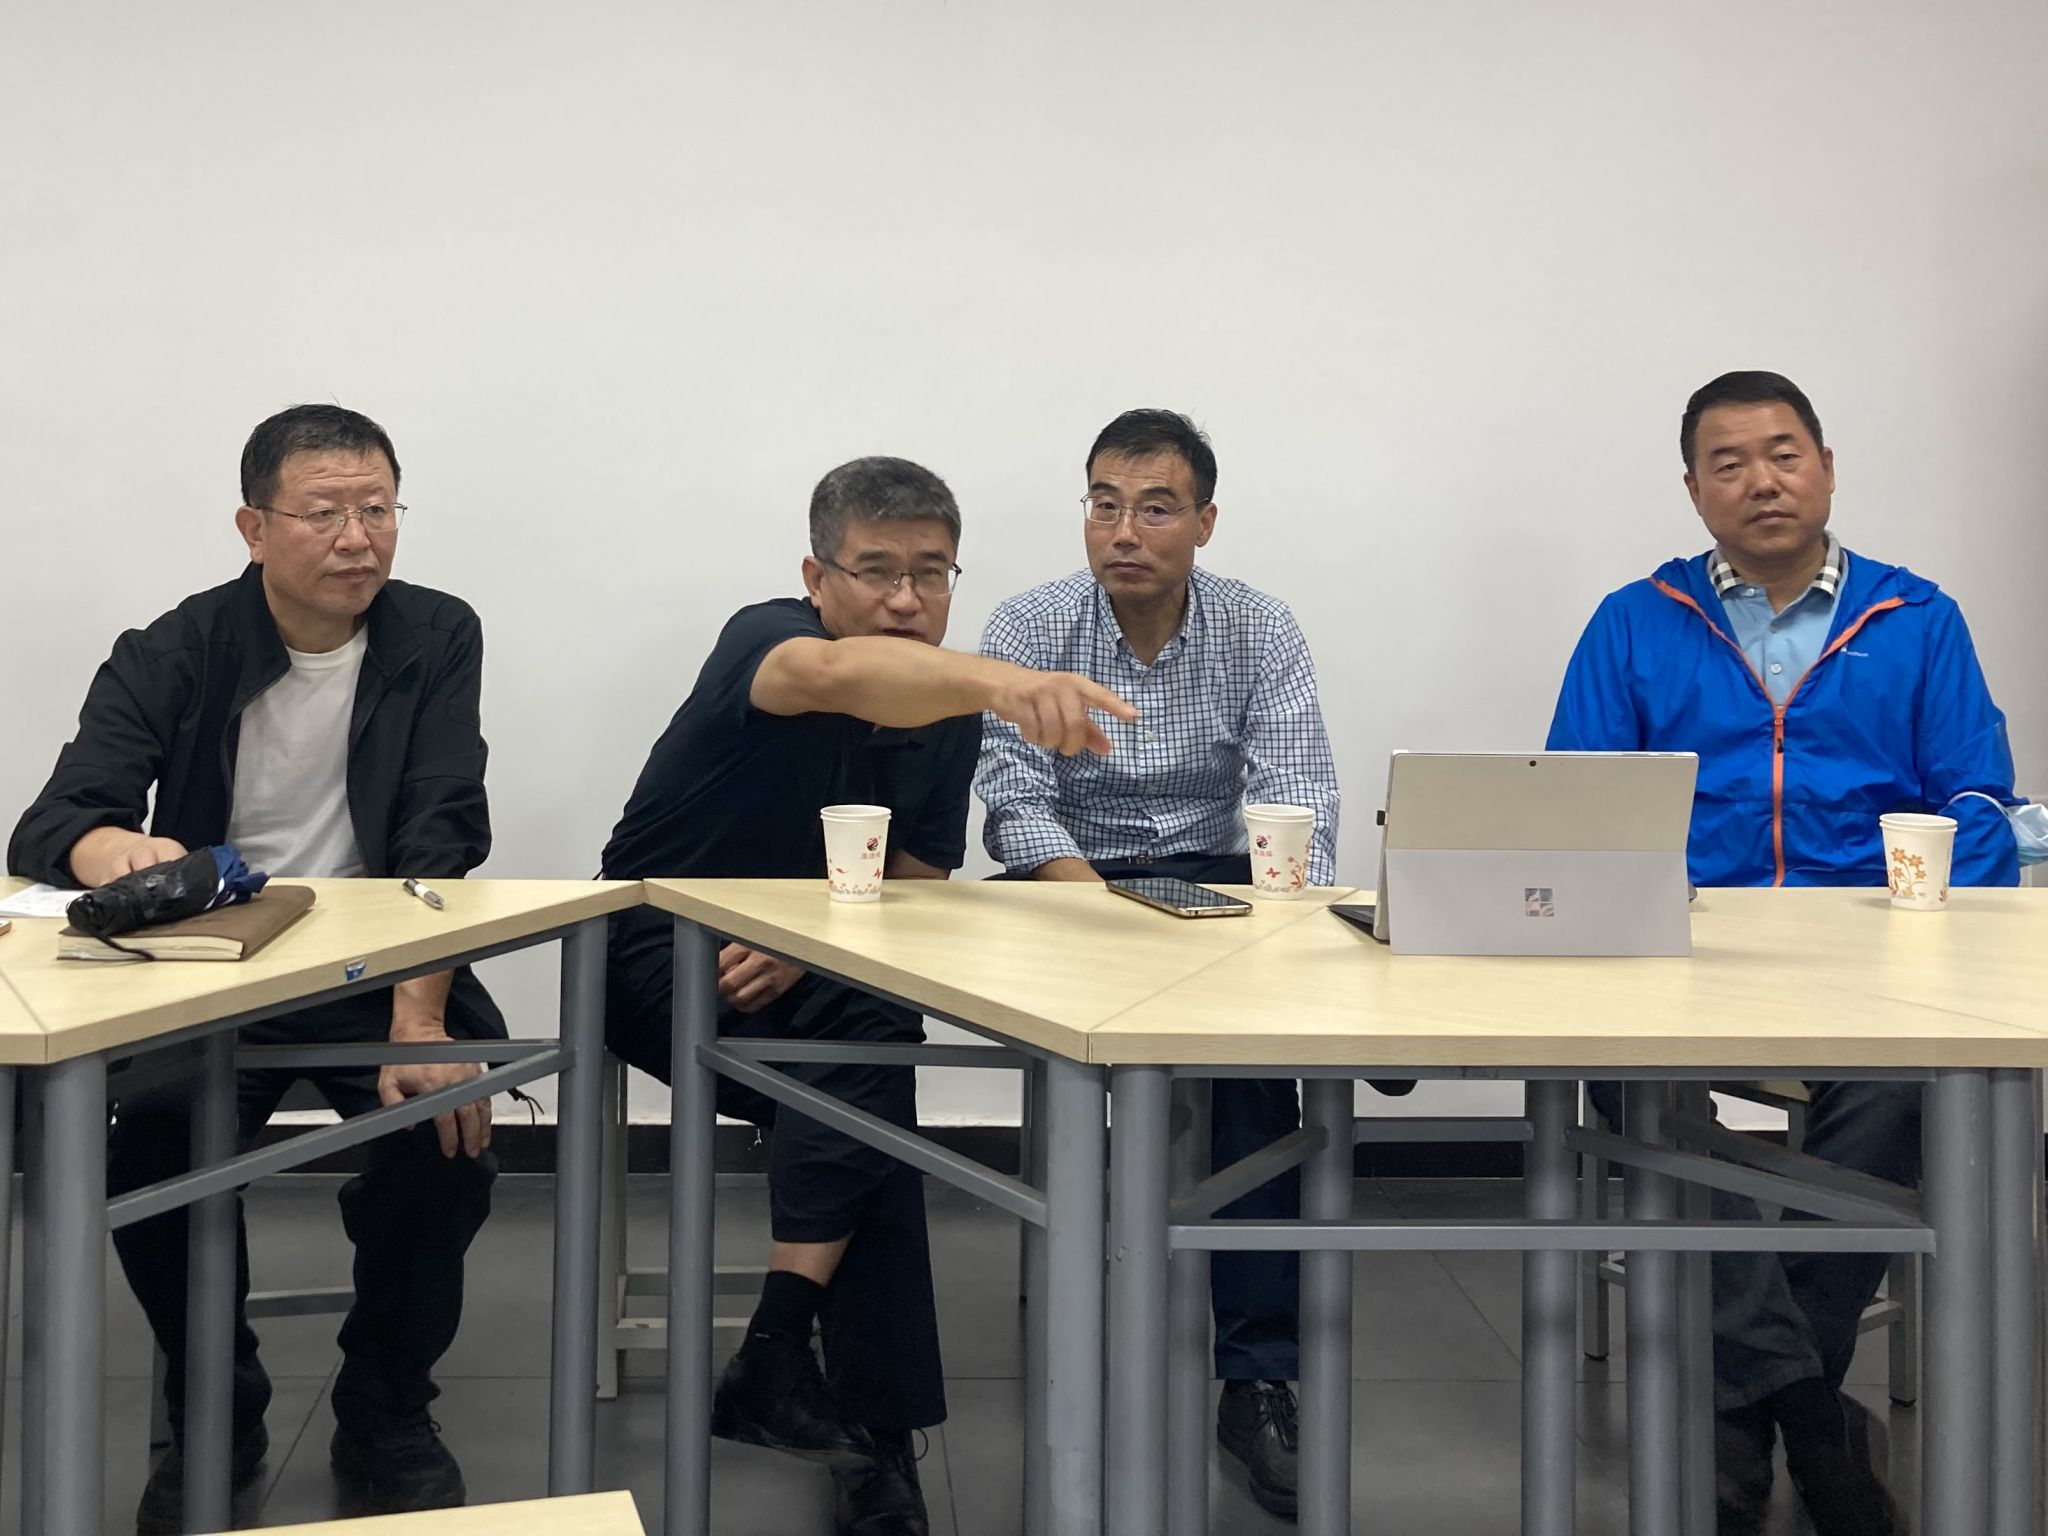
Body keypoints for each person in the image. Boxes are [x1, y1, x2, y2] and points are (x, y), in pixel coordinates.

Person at [601, 455, 1131, 1536]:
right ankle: (845, 1421)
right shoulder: (766, 640)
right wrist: (1002, 682)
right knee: (869, 1076)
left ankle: (808, 1383)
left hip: (813, 965)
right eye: (877, 571)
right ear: (817, 576)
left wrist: (812, 945)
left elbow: (918, 879)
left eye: (931, 574)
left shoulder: (947, 710)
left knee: (871, 1062)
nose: (905, 598)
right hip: (666, 944)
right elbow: (840, 675)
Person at [8, 405, 503, 1529]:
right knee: (154, 1150)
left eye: (377, 509)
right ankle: (214, 1408)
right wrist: (112, 848)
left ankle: (386, 1408)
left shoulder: (436, 634)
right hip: (215, 968)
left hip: (382, 963)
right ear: (254, 527)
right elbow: (56, 819)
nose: (357, 538)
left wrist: (422, 1022)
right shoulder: (175, 647)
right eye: (324, 513)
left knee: (445, 1139)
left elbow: (442, 835)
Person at [1547, 371, 2021, 1536]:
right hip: (1679, 953)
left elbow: (1979, 803)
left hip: (1863, 952)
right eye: (1728, 462)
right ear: (1692, 490)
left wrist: (1907, 887)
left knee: (1901, 1085)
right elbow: (1571, 812)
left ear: (1824, 467)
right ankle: (1810, 1411)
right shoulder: (1632, 621)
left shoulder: (1915, 619)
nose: (1760, 480)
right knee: (1634, 1082)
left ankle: (1746, 1393)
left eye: (1781, 453)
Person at [975, 408, 1340, 1520]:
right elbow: (1015, 801)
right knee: (1070, 1053)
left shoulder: (1256, 626)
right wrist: (1103, 910)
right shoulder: (1030, 622)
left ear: (1205, 522)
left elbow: (1297, 796)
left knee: (1251, 1077)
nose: (1124, 531)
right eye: (1104, 505)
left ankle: (1258, 1374)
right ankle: (1082, 1319)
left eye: (1154, 508)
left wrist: (1266, 918)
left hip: (1212, 879)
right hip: (1066, 883)